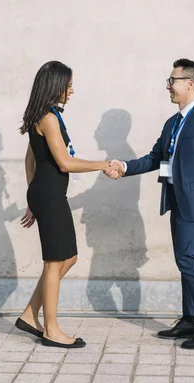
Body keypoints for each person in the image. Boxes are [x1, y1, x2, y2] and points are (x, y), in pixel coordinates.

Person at [106, 59, 194, 349]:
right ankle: (189, 319)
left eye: (172, 80)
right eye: (168, 81)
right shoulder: (173, 122)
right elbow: (156, 158)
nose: (168, 86)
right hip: (176, 200)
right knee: (184, 260)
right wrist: (124, 166)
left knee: (187, 260)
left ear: (189, 83)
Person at [16, 61, 119, 349]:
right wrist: (103, 164)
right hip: (49, 196)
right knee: (54, 262)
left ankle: (28, 314)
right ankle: (51, 330)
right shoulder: (48, 118)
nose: (72, 90)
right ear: (55, 86)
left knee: (68, 258)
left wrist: (31, 195)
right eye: (68, 85)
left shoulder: (47, 115)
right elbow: (65, 162)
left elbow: (30, 160)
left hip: (45, 195)